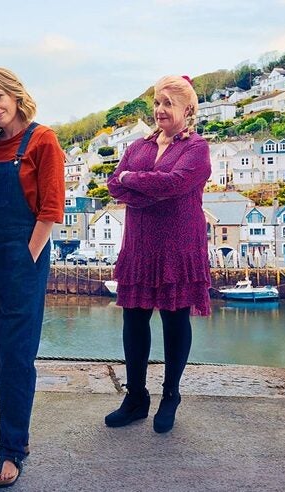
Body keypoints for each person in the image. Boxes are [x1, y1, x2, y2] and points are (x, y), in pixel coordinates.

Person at [0, 68, 65, 488]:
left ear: (14, 94)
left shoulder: (43, 140)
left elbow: (50, 211)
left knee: (17, 358)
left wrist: (27, 257)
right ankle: (9, 432)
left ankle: (13, 450)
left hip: (21, 261)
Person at [105, 75, 211, 434]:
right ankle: (136, 398)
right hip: (139, 245)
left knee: (174, 320)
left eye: (168, 103)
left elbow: (176, 184)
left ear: (187, 109)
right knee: (133, 320)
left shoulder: (197, 148)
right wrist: (145, 184)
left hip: (178, 246)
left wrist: (135, 180)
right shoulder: (138, 146)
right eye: (157, 102)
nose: (160, 109)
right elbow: (114, 183)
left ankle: (170, 395)